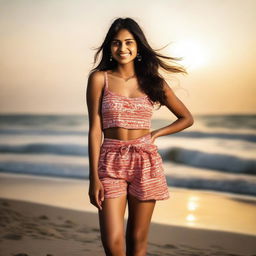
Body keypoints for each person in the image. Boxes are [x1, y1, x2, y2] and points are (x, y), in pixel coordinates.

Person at [86, 17, 194, 256]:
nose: (122, 48)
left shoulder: (153, 82)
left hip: (145, 161)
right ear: (109, 48)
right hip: (111, 160)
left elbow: (186, 118)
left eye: (128, 42)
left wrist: (156, 134)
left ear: (138, 46)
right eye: (116, 43)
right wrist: (93, 177)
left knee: (137, 242)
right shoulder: (99, 79)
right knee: (113, 244)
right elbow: (95, 129)